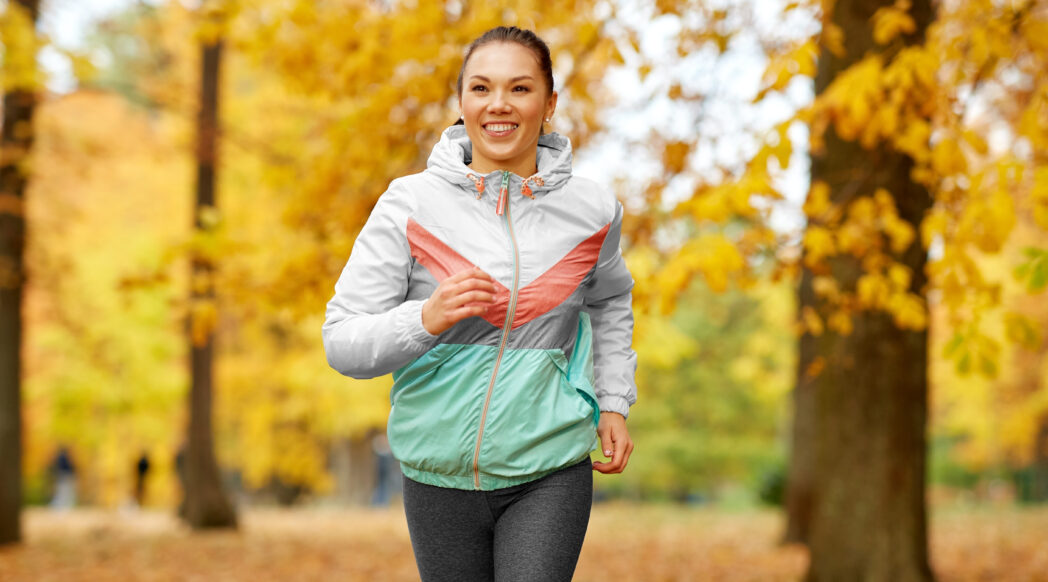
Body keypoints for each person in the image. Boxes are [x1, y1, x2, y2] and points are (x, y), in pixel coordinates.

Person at [323, 26, 637, 582]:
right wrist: (425, 319)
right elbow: (342, 342)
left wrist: (612, 401)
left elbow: (610, 300)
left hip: (550, 465)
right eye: (481, 88)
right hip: (436, 471)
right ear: (462, 101)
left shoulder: (593, 211)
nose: (499, 105)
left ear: (549, 104)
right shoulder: (410, 204)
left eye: (520, 89)